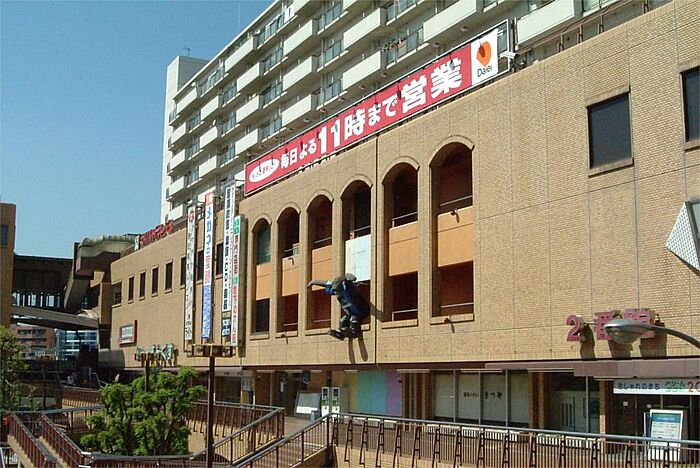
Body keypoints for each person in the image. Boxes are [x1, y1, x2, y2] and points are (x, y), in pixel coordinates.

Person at [308, 273, 370, 340]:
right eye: (335, 291)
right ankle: (341, 333)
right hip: (350, 312)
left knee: (353, 320)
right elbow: (325, 283)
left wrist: (349, 277)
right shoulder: (335, 289)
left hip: (361, 310)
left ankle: (354, 332)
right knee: (342, 321)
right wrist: (313, 282)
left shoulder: (348, 288)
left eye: (337, 291)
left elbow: (348, 278)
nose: (336, 293)